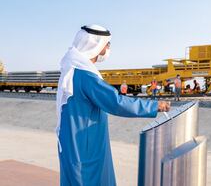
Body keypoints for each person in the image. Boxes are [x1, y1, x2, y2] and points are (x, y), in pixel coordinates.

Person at [56, 25, 170, 186]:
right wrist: (154, 106)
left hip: (73, 142)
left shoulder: (72, 70)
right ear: (95, 44)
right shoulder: (85, 76)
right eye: (107, 43)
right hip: (85, 146)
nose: (109, 47)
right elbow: (116, 102)